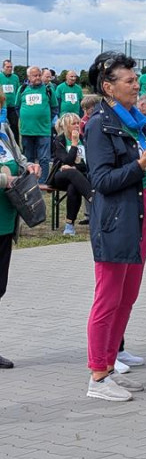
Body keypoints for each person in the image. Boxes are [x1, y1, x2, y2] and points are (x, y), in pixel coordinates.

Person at [84, 52, 146, 401]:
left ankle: (110, 365)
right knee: (107, 299)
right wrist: (143, 162)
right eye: (129, 80)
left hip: (139, 219)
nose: (137, 85)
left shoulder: (132, 121)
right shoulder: (98, 124)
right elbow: (104, 180)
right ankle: (97, 375)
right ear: (108, 86)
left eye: (136, 79)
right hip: (116, 223)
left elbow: (139, 175)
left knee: (127, 298)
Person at [0, 89, 41, 368]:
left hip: (5, 221)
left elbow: (19, 157)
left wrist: (30, 167)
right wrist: (6, 179)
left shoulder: (3, 130)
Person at [50, 113, 93, 236]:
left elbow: (87, 164)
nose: (76, 126)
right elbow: (66, 161)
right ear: (66, 126)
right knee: (71, 172)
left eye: (77, 123)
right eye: (73, 123)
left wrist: (75, 166)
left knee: (73, 187)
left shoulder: (84, 139)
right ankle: (92, 198)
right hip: (60, 176)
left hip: (79, 177)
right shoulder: (60, 140)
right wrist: (74, 144)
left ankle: (69, 225)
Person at [15, 65, 58, 183]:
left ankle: (42, 182)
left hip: (43, 130)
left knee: (44, 158)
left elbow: (54, 108)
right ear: (29, 76)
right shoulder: (22, 89)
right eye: (35, 75)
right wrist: (26, 118)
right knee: (28, 158)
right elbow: (17, 107)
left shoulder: (48, 89)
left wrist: (45, 121)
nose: (38, 77)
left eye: (39, 75)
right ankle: (29, 181)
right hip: (27, 130)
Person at [0, 60, 20, 143]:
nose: (9, 68)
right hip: (2, 106)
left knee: (14, 127)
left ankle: (16, 145)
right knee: (2, 126)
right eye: (7, 67)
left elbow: (18, 89)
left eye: (11, 67)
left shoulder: (15, 77)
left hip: (12, 106)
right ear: (3, 67)